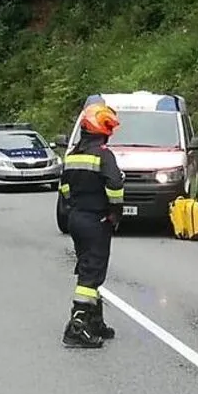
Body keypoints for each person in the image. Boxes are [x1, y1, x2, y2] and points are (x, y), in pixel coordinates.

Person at [59, 103, 126, 348]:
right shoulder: (103, 154)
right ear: (101, 129)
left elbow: (64, 187)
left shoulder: (73, 156)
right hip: (96, 220)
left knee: (87, 264)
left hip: (76, 218)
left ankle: (95, 321)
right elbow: (115, 186)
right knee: (91, 273)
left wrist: (73, 206)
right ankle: (77, 326)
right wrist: (115, 212)